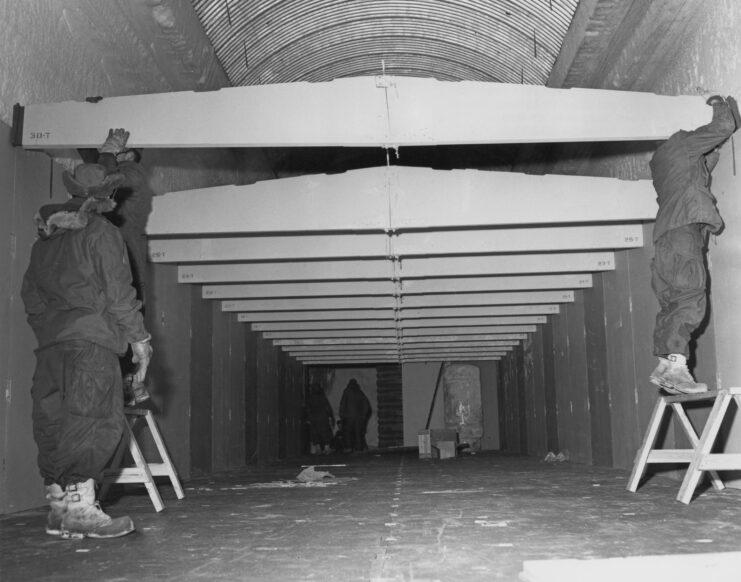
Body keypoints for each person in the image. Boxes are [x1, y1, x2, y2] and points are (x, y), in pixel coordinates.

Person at [21, 129, 153, 539]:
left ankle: (59, 507)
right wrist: (140, 340)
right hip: (91, 345)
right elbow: (118, 294)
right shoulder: (102, 234)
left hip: (52, 347)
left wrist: (55, 329)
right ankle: (81, 508)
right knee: (94, 421)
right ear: (105, 198)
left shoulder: (44, 243)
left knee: (55, 422)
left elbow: (32, 298)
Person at [648, 93, 739, 394]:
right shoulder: (683, 144)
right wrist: (719, 103)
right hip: (682, 232)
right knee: (690, 295)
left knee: (673, 301)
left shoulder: (662, 161)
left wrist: (714, 149)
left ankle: (665, 363)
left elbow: (699, 169)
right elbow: (725, 124)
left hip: (665, 240)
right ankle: (675, 365)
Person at [339, 378, 372, 452]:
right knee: (358, 433)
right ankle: (359, 448)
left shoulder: (346, 391)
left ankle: (348, 447)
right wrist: (363, 416)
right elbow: (366, 405)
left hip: (348, 417)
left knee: (347, 432)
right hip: (358, 418)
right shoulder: (359, 392)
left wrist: (341, 414)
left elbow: (343, 403)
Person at [306, 383, 335, 454]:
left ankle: (318, 449)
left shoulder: (310, 398)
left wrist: (308, 418)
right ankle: (326, 448)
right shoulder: (322, 397)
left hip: (313, 418)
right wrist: (330, 416)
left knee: (315, 433)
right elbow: (327, 407)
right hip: (322, 418)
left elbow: (308, 409)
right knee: (324, 432)